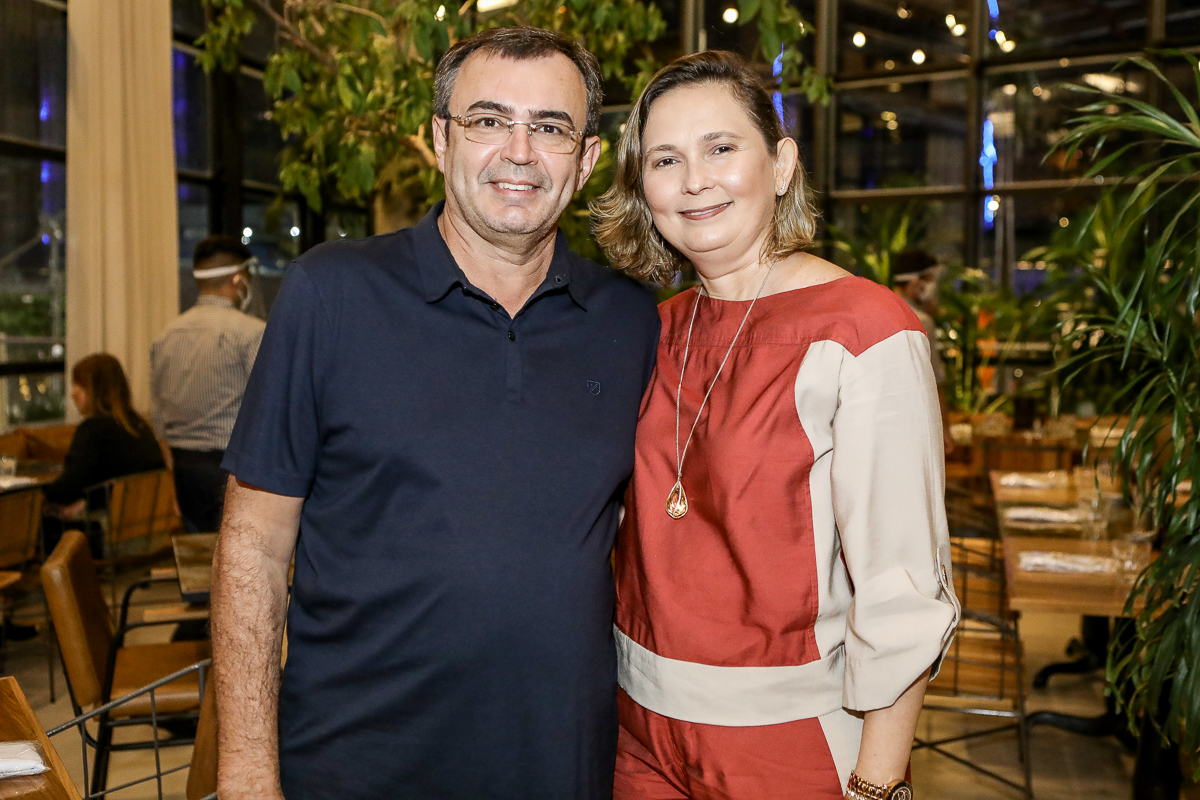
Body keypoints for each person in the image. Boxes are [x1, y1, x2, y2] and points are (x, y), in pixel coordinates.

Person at [211, 26, 660, 800]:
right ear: (442, 139)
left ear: (586, 159)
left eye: (550, 128)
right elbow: (253, 543)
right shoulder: (331, 294)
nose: (519, 152)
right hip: (356, 767)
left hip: (561, 763)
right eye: (489, 120)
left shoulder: (629, 321)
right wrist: (248, 773)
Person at [592, 51, 959, 800]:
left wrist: (879, 783)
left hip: (790, 743)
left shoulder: (863, 329)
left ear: (782, 164)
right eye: (665, 159)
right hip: (635, 733)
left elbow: (900, 588)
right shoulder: (649, 330)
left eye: (720, 148)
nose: (694, 180)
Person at [151, 235, 265, 532]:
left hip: (184, 469)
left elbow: (159, 418)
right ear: (239, 279)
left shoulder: (165, 337)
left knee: (200, 552)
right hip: (237, 469)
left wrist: (172, 477)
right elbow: (271, 407)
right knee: (240, 552)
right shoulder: (251, 334)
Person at [43, 354, 166, 555]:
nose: (73, 393)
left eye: (80, 386)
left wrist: (40, 495)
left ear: (98, 390)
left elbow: (68, 488)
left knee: (35, 523)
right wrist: (87, 500)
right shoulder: (139, 425)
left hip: (111, 536)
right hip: (151, 532)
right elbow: (123, 480)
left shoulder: (93, 429)